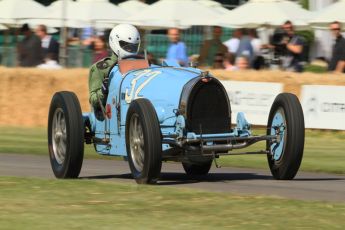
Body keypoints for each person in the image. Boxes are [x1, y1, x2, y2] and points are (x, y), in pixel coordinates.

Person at [89, 24, 140, 109]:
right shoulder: (102, 68)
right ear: (114, 41)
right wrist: (103, 91)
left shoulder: (141, 66)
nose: (130, 49)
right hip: (108, 116)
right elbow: (93, 100)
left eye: (133, 46)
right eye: (125, 45)